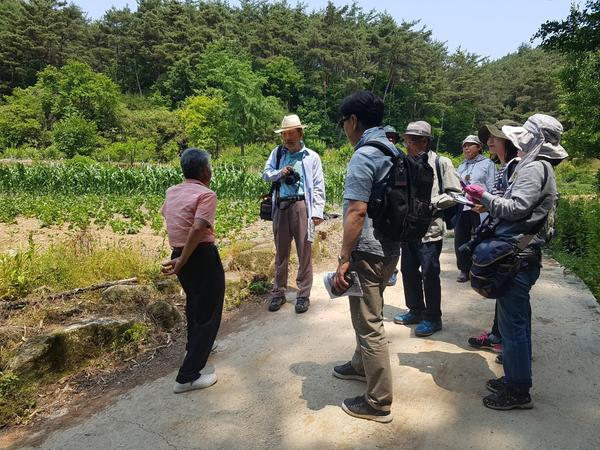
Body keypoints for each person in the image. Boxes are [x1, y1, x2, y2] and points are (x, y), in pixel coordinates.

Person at [464, 114, 561, 410]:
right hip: (522, 255)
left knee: (513, 326)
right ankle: (514, 379)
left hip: (516, 257)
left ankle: (518, 390)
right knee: (517, 322)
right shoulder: (539, 167)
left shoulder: (533, 168)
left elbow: (517, 208)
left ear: (536, 139)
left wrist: (485, 197)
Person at [331, 91, 401, 423]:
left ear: (353, 121)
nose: (344, 128)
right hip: (389, 249)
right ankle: (360, 365)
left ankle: (378, 401)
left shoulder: (364, 156)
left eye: (343, 122)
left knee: (369, 322)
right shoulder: (394, 150)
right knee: (369, 312)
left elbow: (357, 211)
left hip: (368, 252)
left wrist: (344, 256)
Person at [160, 148, 224, 393]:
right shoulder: (206, 194)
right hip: (199, 255)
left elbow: (169, 215)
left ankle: (194, 347)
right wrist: (184, 259)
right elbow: (197, 228)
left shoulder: (172, 191)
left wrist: (179, 258)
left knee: (195, 303)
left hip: (179, 253)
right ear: (204, 170)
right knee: (209, 312)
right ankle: (187, 376)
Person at [393, 121, 461, 337]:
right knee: (408, 271)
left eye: (411, 141)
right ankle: (415, 310)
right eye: (406, 140)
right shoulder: (403, 162)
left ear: (424, 141)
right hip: (407, 228)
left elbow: (454, 194)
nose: (407, 145)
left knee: (430, 273)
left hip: (429, 229)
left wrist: (431, 204)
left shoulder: (441, 163)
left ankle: (433, 317)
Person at [262, 114, 326, 314]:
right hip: (281, 206)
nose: (287, 138)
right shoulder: (277, 154)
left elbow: (317, 186)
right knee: (281, 253)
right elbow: (265, 174)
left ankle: (303, 294)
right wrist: (280, 173)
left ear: (300, 133)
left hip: (301, 206)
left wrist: (317, 212)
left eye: (291, 133)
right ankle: (278, 292)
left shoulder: (311, 157)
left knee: (304, 252)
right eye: (284, 134)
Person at [467, 120, 519, 355]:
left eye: (494, 138)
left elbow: (514, 208)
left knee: (511, 298)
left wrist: (485, 198)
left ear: (508, 142)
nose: (489, 141)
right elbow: (499, 202)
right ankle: (498, 335)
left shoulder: (517, 167)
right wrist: (485, 205)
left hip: (512, 243)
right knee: (503, 293)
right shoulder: (505, 166)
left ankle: (506, 344)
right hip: (503, 240)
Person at [455, 135, 496, 282]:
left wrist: (488, 205)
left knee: (481, 237)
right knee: (460, 237)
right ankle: (464, 269)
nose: (466, 148)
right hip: (463, 205)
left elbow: (492, 186)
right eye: (464, 145)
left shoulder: (488, 164)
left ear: (479, 147)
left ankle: (481, 268)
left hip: (480, 206)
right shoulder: (461, 165)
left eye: (470, 145)